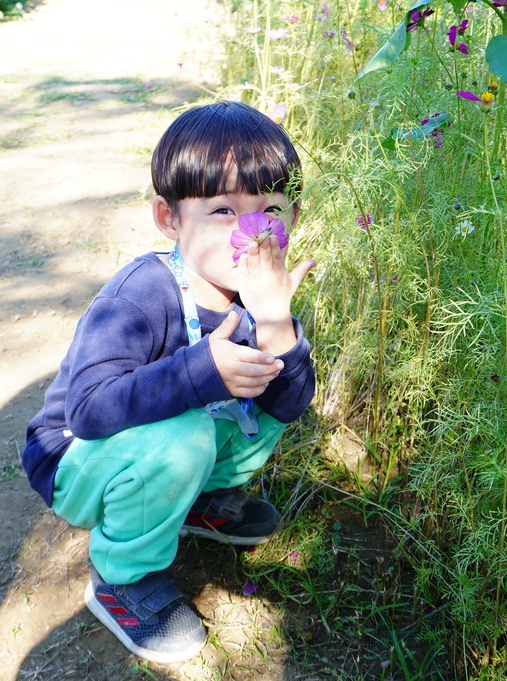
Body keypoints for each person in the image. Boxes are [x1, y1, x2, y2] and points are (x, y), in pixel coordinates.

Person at [21, 100, 316, 663]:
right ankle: (122, 580)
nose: (250, 233)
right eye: (224, 210)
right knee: (187, 434)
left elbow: (289, 408)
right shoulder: (140, 294)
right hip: (77, 459)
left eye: (270, 209)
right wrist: (202, 370)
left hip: (158, 446)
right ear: (169, 218)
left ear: (294, 217)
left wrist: (277, 323)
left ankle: (199, 504)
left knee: (270, 392)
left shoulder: (260, 296)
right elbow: (88, 410)